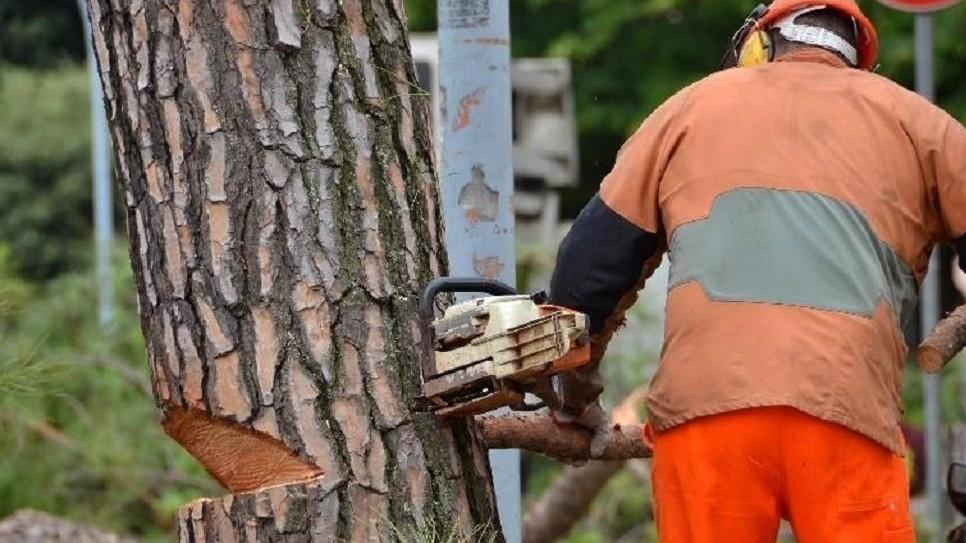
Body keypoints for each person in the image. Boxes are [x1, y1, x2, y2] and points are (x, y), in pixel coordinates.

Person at [548, 1, 965, 541]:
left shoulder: (688, 109)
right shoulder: (919, 123)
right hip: (847, 412)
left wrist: (574, 395)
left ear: (758, 45)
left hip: (707, 416)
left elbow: (587, 272)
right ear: (859, 58)